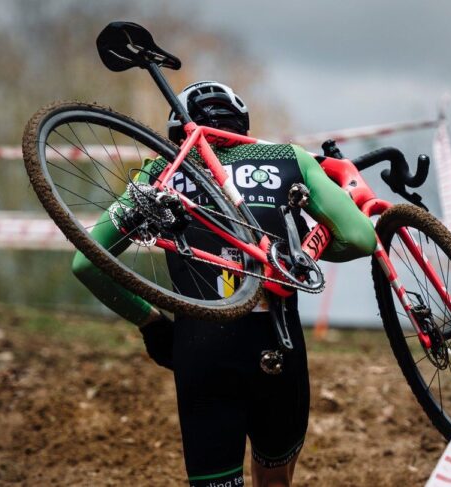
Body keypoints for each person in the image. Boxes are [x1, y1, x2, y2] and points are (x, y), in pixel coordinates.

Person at [72, 81, 376, 487]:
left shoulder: (161, 170)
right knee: (275, 478)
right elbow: (360, 237)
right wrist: (300, 253)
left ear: (180, 132)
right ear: (242, 126)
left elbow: (86, 262)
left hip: (200, 346)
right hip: (275, 341)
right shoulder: (288, 159)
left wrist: (152, 324)